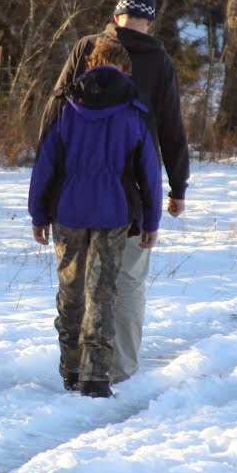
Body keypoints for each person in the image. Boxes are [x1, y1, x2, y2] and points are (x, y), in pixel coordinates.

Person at [42, 0, 189, 383]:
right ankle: (117, 367)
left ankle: (74, 366)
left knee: (75, 285)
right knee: (124, 282)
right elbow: (172, 129)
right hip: (131, 194)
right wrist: (177, 187)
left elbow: (55, 111)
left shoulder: (86, 47)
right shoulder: (160, 61)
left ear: (115, 15)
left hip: (72, 193)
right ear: (151, 21)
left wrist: (47, 179)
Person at [29, 33, 162, 398]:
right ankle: (96, 377)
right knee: (102, 294)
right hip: (114, 212)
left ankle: (70, 369)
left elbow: (45, 163)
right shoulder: (135, 109)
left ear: (90, 63)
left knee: (71, 292)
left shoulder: (63, 104)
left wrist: (38, 213)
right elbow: (149, 171)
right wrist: (151, 221)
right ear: (124, 70)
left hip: (68, 211)